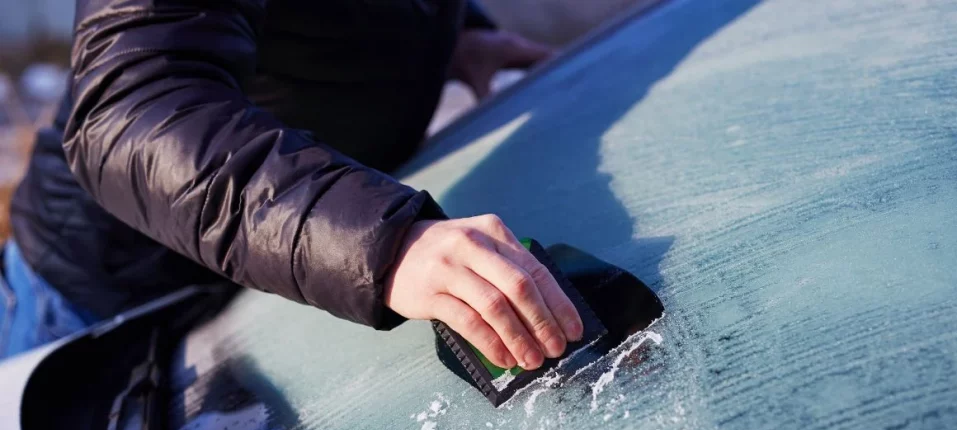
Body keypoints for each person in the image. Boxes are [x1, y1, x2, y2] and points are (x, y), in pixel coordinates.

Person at [2, 0, 584, 367]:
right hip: (100, 305)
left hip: (274, 290)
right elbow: (131, 114)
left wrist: (458, 36)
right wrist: (382, 245)